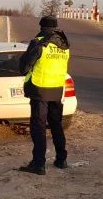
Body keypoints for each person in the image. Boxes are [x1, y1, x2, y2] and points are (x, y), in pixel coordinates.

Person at [18, 15, 71, 175]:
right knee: (56, 125)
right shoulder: (64, 45)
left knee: (39, 127)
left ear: (42, 27)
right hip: (56, 89)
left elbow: (24, 66)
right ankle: (61, 159)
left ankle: (38, 163)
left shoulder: (39, 43)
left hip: (40, 89)